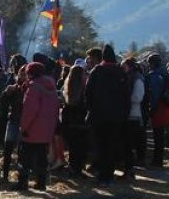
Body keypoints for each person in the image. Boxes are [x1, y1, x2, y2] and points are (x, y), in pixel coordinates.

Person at [84, 45, 127, 185]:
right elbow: (126, 95)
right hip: (116, 117)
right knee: (111, 146)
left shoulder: (97, 71)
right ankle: (109, 175)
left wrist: (90, 110)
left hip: (98, 116)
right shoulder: (120, 72)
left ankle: (102, 174)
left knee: (100, 145)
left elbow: (88, 93)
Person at [13, 62, 59, 191]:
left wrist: (24, 128)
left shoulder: (33, 87)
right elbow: (56, 109)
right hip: (47, 130)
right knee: (42, 158)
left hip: (32, 130)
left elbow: (29, 111)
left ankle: (22, 183)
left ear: (30, 73)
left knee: (25, 158)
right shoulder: (52, 87)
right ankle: (41, 183)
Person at [60, 64, 89, 174]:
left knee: (73, 147)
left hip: (70, 121)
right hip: (81, 121)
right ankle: (78, 168)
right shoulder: (84, 89)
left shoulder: (68, 88)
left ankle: (73, 167)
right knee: (80, 146)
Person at [145, 56, 169, 168]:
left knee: (157, 135)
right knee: (160, 134)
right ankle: (158, 159)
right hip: (166, 106)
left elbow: (155, 94)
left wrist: (152, 109)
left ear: (152, 63)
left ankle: (157, 160)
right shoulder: (165, 74)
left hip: (158, 107)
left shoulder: (154, 76)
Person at [121, 57, 146, 177]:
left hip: (134, 115)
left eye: (124, 66)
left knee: (129, 145)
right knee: (126, 145)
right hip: (127, 114)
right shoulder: (129, 78)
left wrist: (124, 98)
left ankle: (129, 169)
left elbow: (138, 97)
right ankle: (128, 168)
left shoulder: (137, 79)